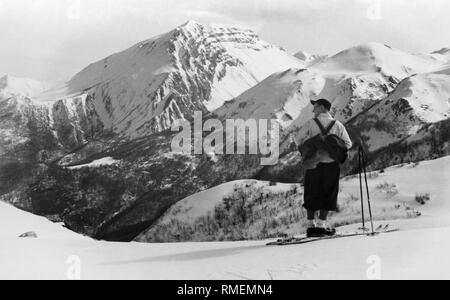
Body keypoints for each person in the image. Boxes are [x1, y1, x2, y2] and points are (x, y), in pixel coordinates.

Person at [291, 99, 353, 238]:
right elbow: (348, 144)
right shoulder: (338, 125)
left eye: (316, 106)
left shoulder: (311, 123)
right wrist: (333, 148)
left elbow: (297, 139)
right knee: (329, 193)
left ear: (323, 107)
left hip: (314, 164)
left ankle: (310, 225)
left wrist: (311, 146)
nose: (313, 109)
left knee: (311, 192)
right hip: (331, 164)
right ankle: (321, 225)